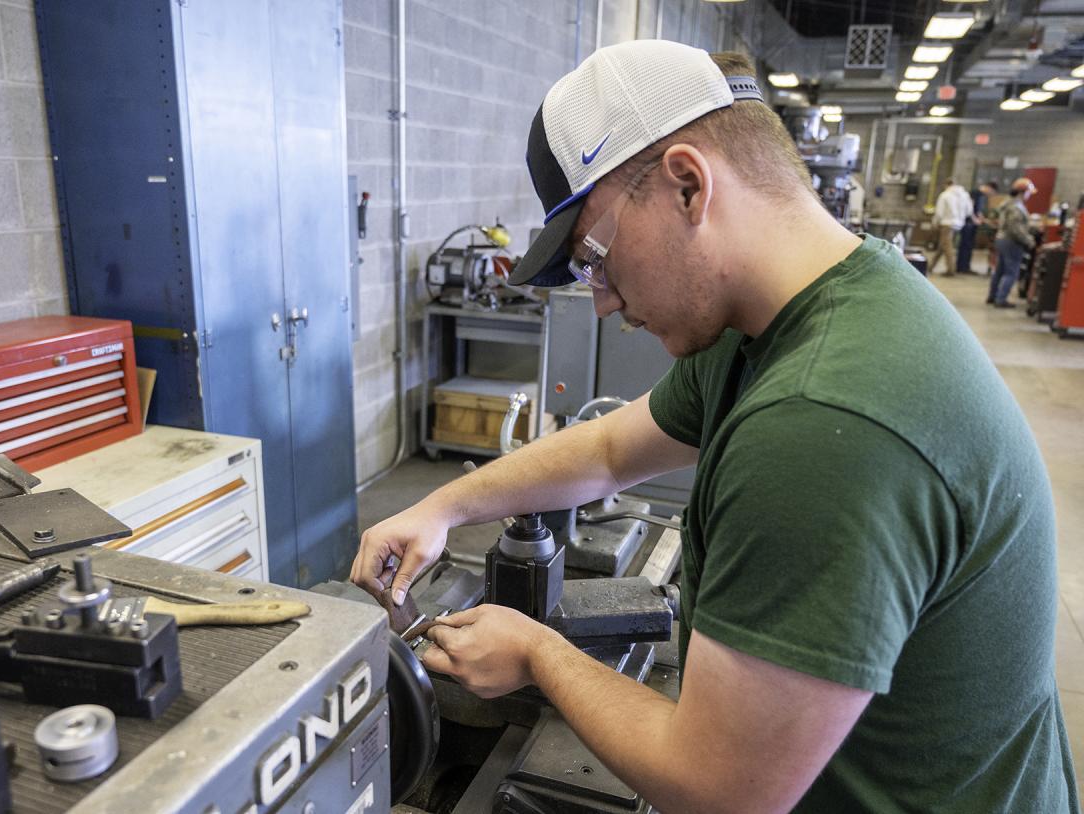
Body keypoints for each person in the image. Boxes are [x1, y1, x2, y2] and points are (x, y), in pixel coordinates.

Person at [353, 42, 1076, 813]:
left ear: (689, 186)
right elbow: (604, 450)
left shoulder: (822, 421)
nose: (599, 301)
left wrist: (536, 652)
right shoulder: (789, 313)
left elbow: (722, 792)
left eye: (593, 257)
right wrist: (444, 506)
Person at [988, 177, 1039, 308]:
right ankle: (1001, 299)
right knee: (1011, 272)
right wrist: (1029, 240)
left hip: (1001, 239)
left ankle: (992, 296)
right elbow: (1014, 228)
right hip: (1011, 242)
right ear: (1023, 192)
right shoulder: (1016, 207)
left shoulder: (1007, 203)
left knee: (999, 270)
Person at [927, 177, 972, 276]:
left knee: (947, 247)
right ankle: (930, 266)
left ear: (946, 185)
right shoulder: (965, 195)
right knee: (943, 245)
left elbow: (939, 212)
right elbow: (969, 211)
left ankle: (951, 270)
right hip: (959, 224)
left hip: (947, 223)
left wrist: (935, 223)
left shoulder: (945, 195)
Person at [958, 179, 998, 274]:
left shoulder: (981, 196)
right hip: (968, 224)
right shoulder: (975, 193)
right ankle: (962, 267)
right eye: (992, 192)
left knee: (969, 246)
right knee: (965, 246)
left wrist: (983, 219)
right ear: (989, 188)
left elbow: (978, 210)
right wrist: (974, 219)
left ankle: (965, 267)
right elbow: (969, 208)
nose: (990, 194)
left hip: (973, 223)